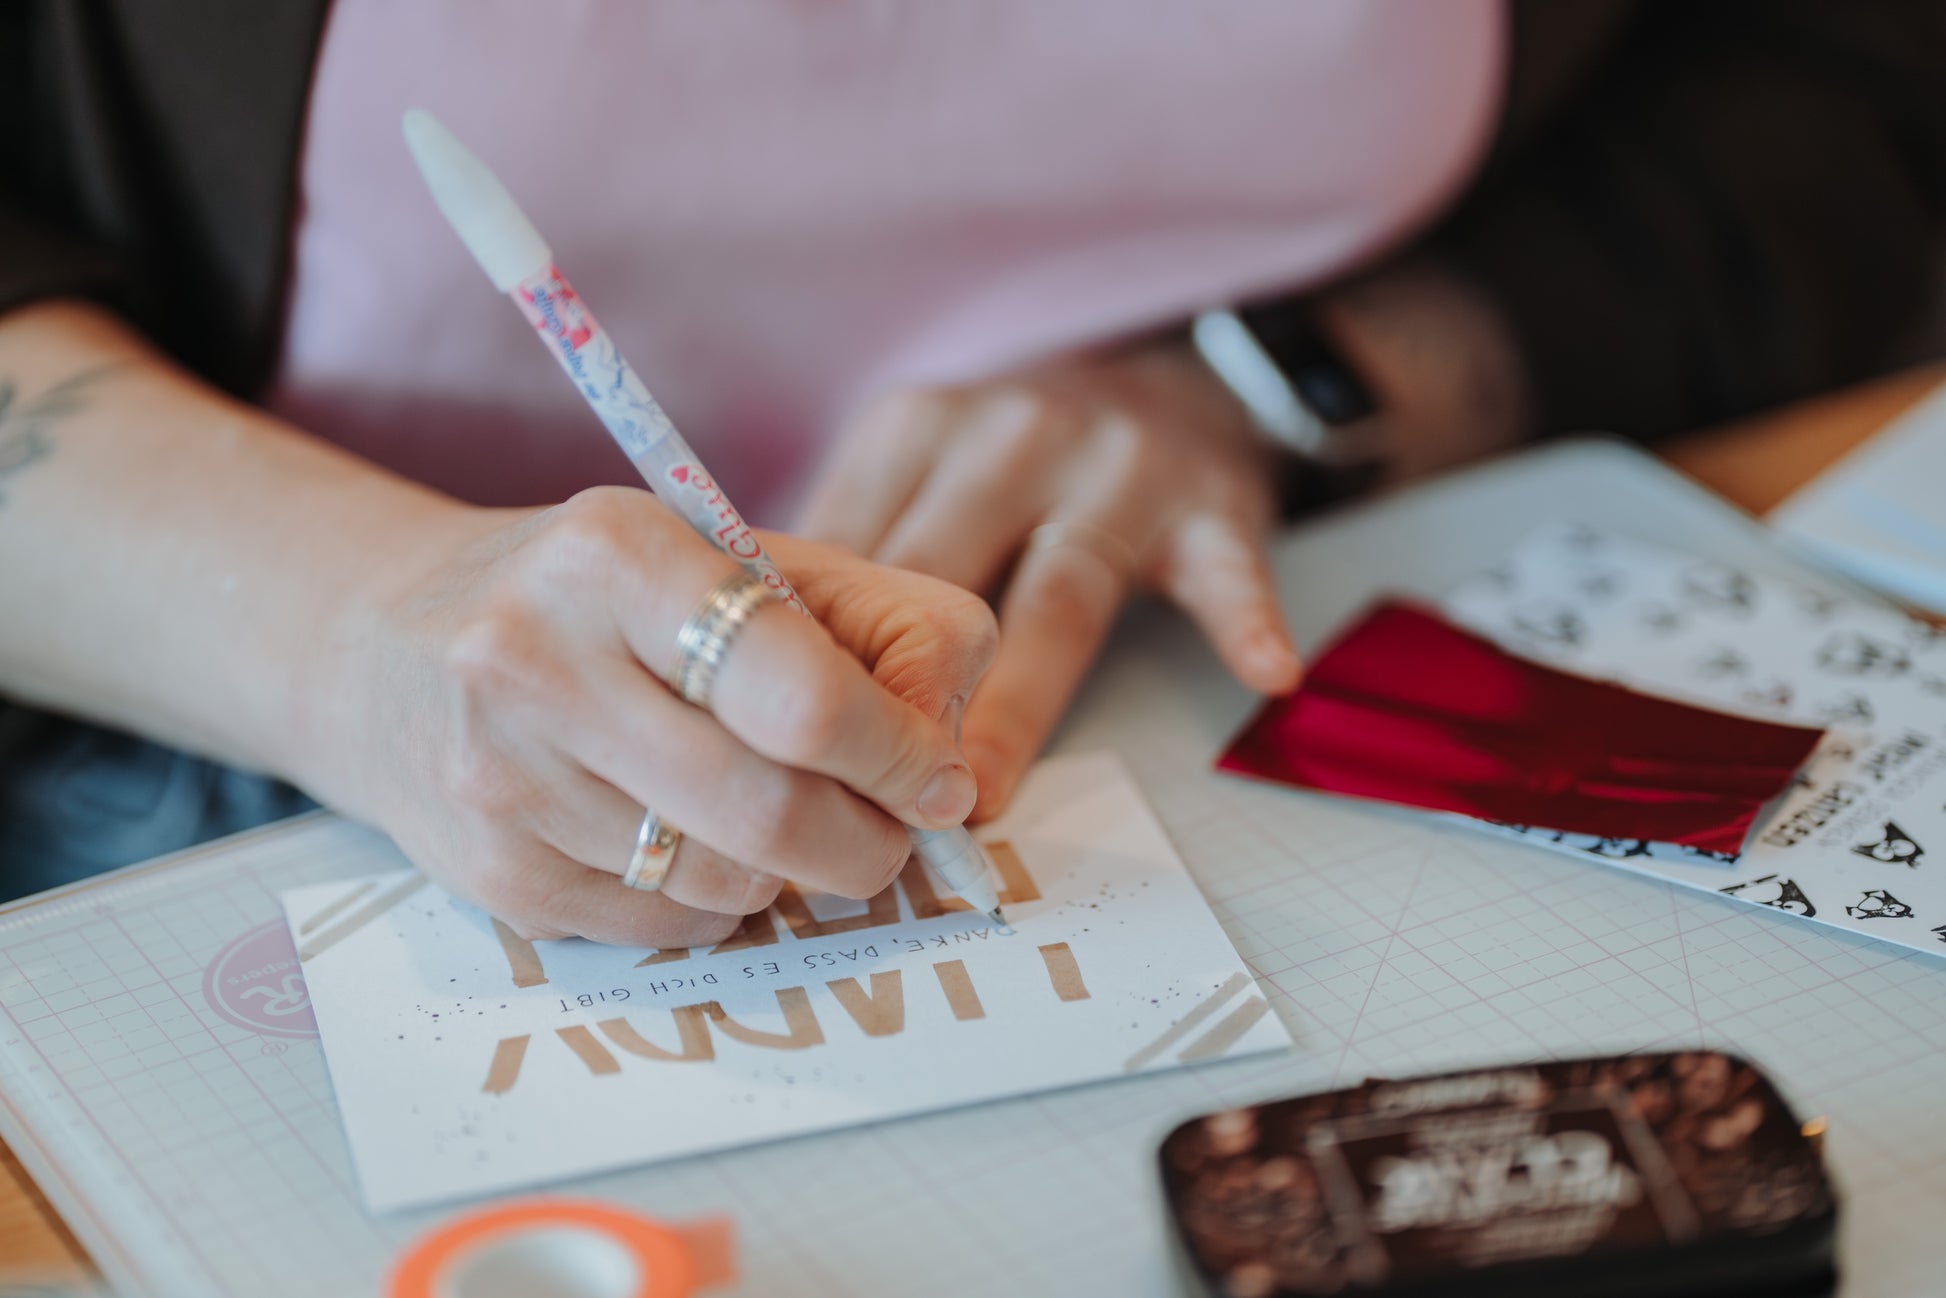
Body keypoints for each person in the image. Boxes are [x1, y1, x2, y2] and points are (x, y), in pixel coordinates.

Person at [2, 2, 1943, 942]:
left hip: (1264, 598)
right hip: (229, 709)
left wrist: (1280, 378)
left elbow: (1852, 72)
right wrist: (355, 625)